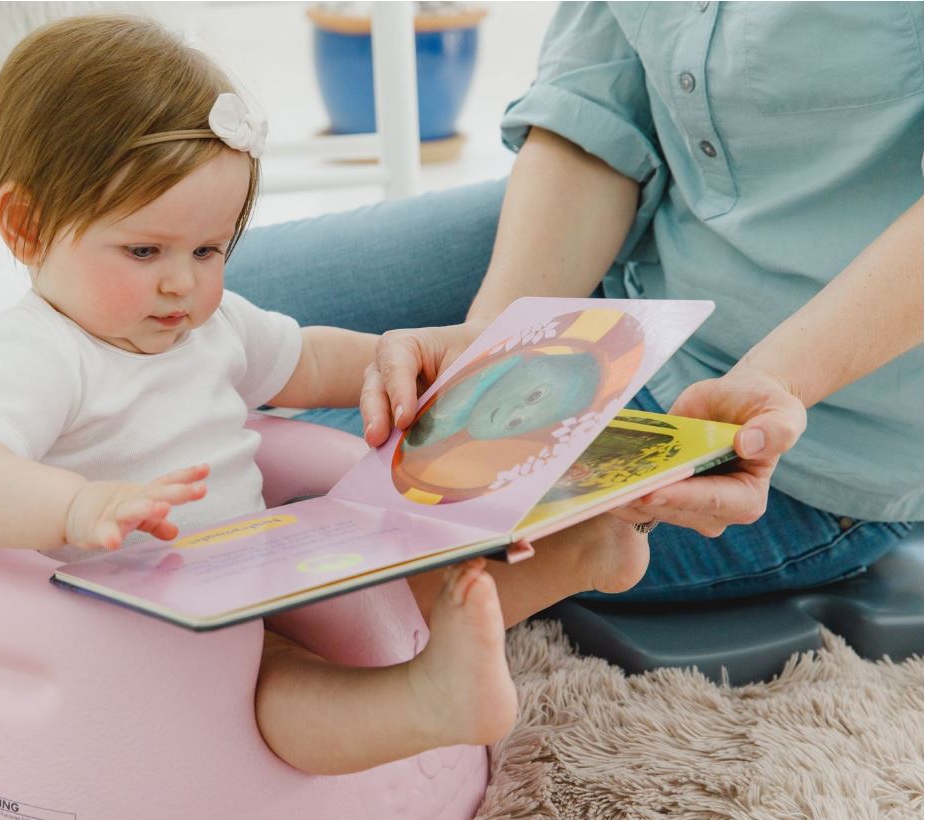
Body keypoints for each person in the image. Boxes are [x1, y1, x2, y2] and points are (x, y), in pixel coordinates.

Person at [0, 14, 651, 777]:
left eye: (209, 249)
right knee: (273, 692)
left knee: (394, 579)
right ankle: (429, 702)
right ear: (26, 226)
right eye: (143, 250)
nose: (181, 282)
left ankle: (580, 550)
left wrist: (405, 366)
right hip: (132, 631)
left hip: (244, 576)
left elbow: (308, 358)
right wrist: (75, 506)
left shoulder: (207, 321)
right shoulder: (43, 351)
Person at [228, 1, 924, 604]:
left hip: (819, 408)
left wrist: (775, 386)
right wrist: (496, 338)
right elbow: (596, 110)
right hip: (640, 244)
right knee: (185, 298)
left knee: (254, 499)